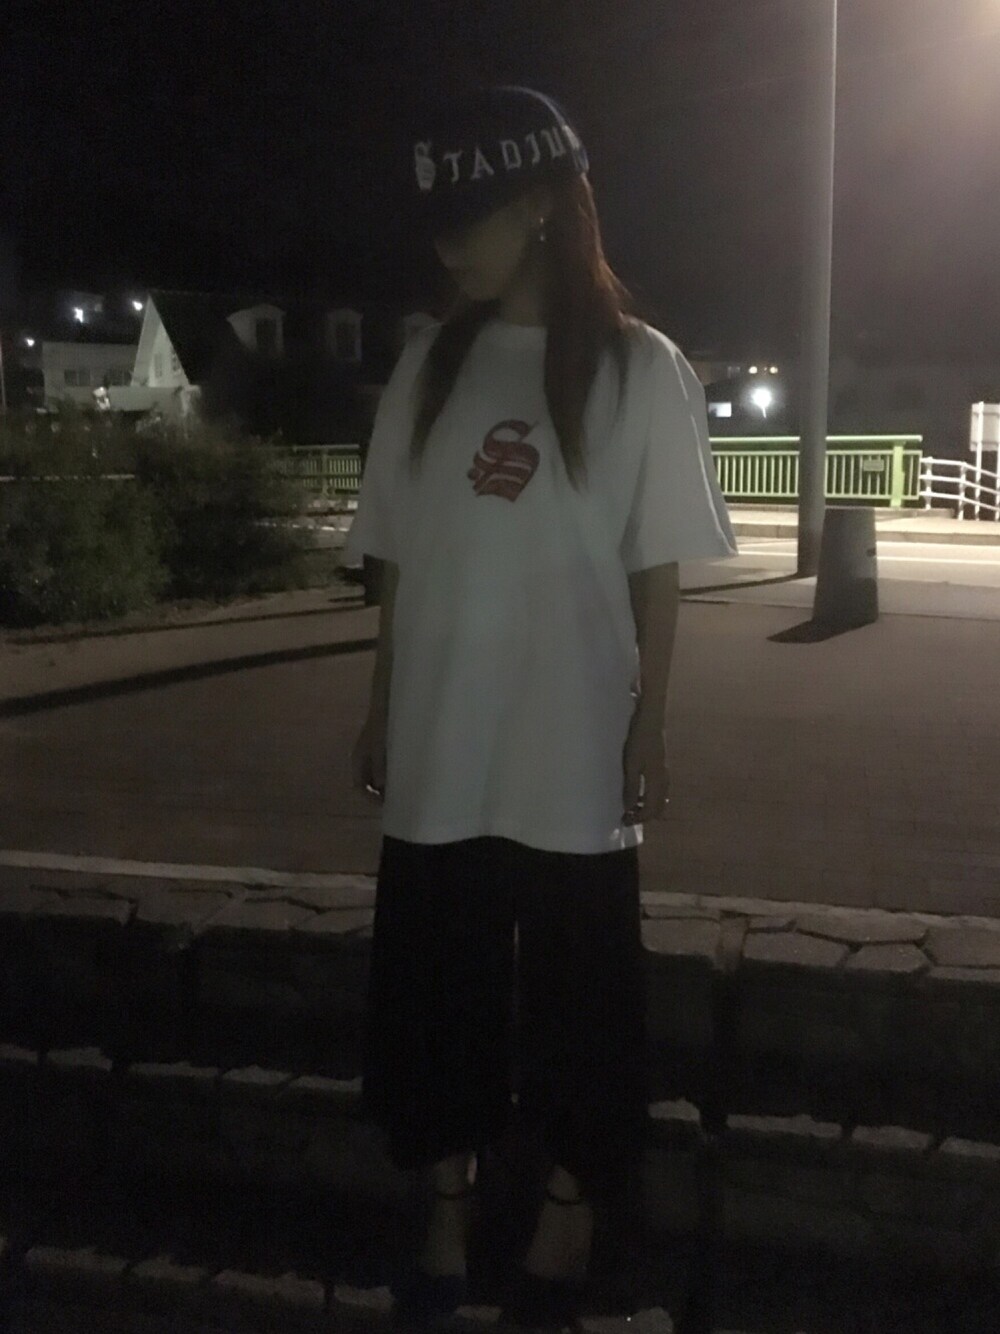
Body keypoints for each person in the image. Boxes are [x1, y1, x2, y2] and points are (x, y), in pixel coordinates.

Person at [345, 84, 738, 1327]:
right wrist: (381, 703)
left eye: (463, 219)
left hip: (568, 735)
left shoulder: (637, 365)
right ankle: (446, 1209)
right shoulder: (429, 362)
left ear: (535, 206)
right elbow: (398, 558)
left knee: (581, 990)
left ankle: (570, 1211)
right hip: (441, 732)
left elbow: (656, 568)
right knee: (435, 981)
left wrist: (649, 720)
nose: (443, 247)